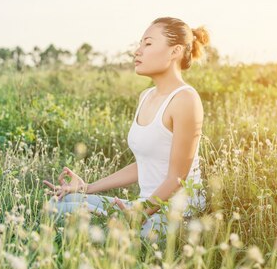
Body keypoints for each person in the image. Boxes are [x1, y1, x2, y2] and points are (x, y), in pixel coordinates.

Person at [43, 17, 209, 241]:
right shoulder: (146, 96)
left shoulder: (185, 99)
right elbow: (146, 164)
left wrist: (138, 214)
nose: (137, 52)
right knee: (59, 204)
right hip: (146, 207)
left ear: (175, 51)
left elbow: (177, 178)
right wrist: (87, 188)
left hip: (177, 214)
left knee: (102, 232)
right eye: (140, 44)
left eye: (148, 44)